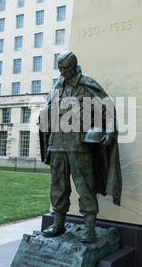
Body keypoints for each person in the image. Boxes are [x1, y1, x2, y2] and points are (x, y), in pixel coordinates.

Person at [39, 51, 122, 243]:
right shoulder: (57, 86)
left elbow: (108, 107)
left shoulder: (87, 85)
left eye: (65, 68)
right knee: (57, 187)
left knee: (85, 187)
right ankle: (58, 224)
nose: (62, 71)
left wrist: (109, 132)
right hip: (57, 145)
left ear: (74, 66)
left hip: (79, 146)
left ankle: (90, 229)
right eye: (59, 68)